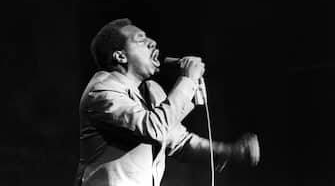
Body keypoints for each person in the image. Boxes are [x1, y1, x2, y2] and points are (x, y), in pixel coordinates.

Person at [74, 18, 260, 186]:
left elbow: (180, 142)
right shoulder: (102, 91)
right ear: (120, 56)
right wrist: (187, 81)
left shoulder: (151, 91)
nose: (152, 42)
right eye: (140, 39)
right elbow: (152, 129)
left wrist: (230, 152)